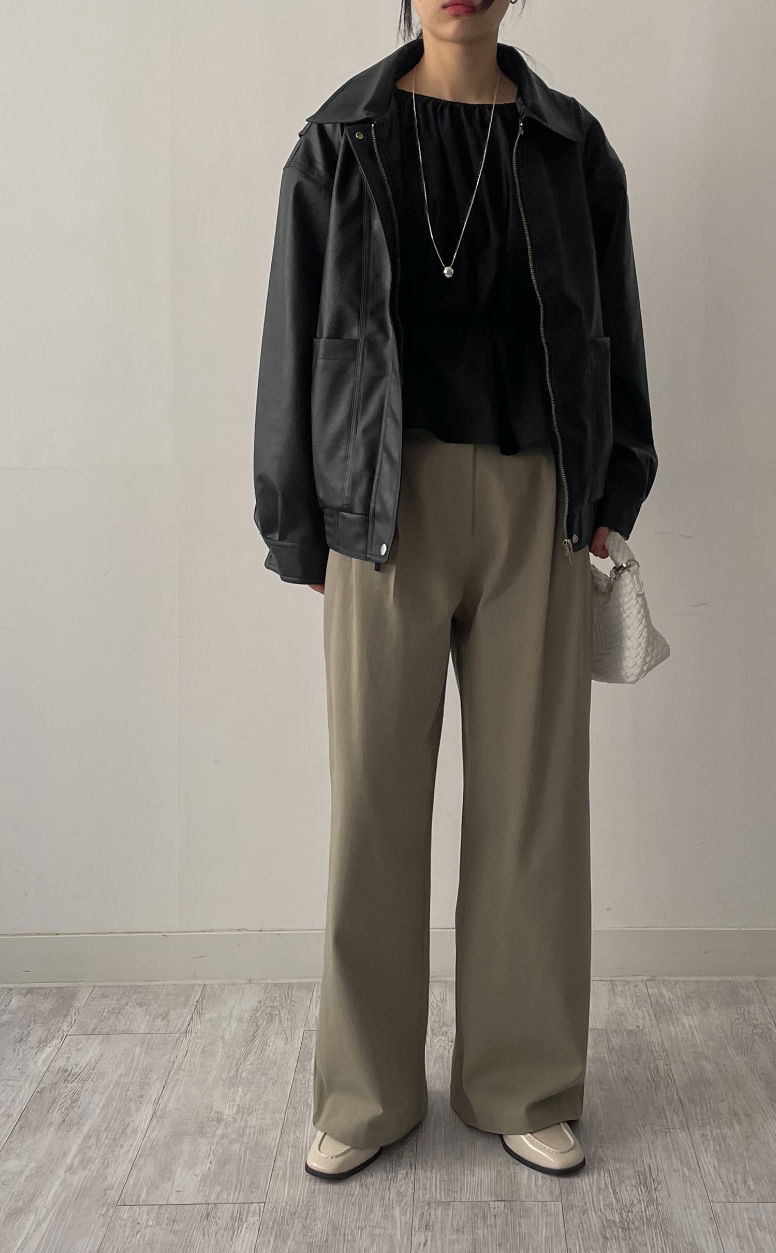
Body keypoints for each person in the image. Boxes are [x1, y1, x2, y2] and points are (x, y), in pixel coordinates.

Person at [252, 0, 657, 1181]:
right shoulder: (340, 139)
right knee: (373, 802)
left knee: (533, 803)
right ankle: (363, 1091)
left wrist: (615, 485)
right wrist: (297, 519)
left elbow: (613, 327)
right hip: (381, 505)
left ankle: (520, 1080)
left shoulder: (572, 145)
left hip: (539, 498)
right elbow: (294, 331)